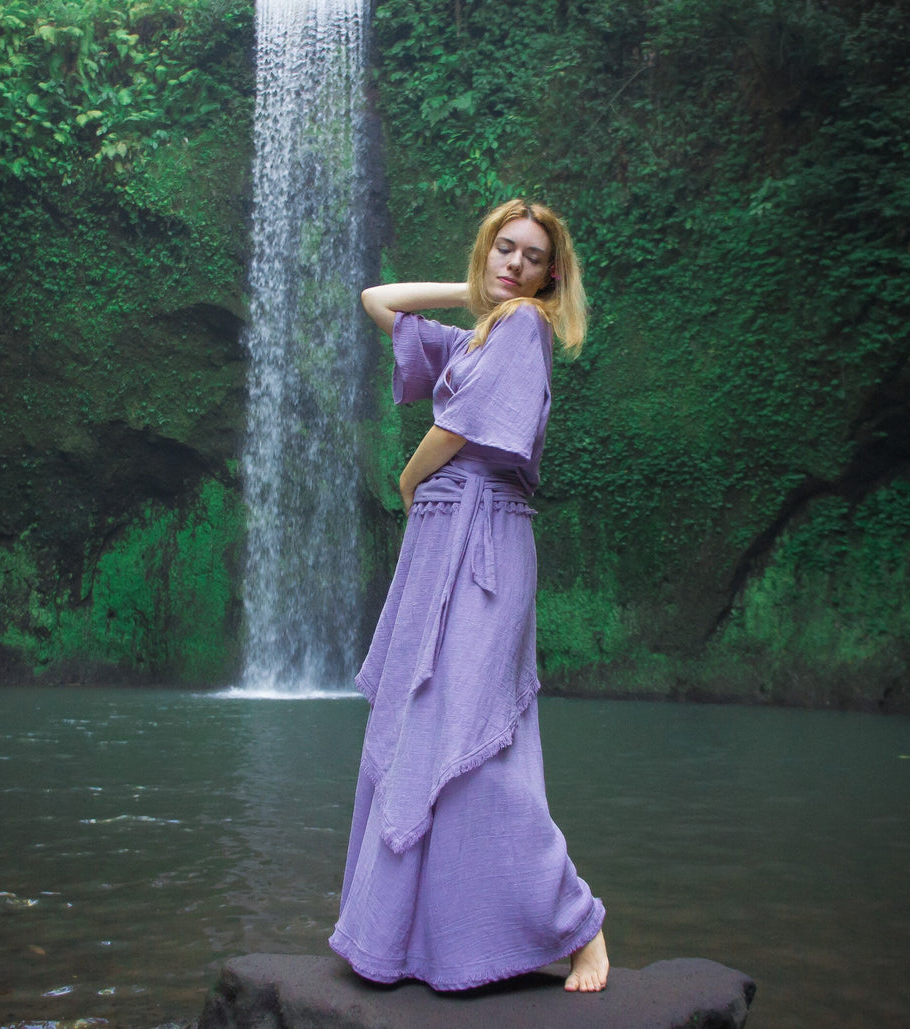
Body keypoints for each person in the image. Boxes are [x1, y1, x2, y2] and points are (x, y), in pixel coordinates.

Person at [328, 199, 610, 993]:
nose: (514, 264)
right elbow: (377, 302)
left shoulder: (524, 329)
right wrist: (472, 290)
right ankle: (419, 938)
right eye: (503, 248)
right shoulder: (478, 336)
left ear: (553, 276)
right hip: (437, 545)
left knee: (479, 741)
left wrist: (407, 475)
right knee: (418, 728)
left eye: (531, 257)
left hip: (484, 535)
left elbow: (452, 430)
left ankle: (580, 923)